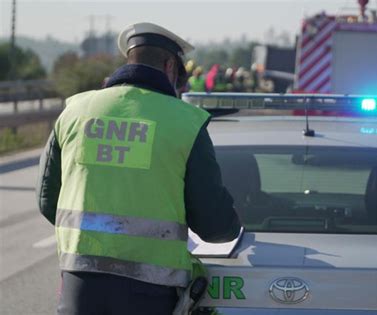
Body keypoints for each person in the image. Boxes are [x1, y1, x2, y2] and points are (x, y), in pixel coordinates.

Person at [36, 22, 241, 315]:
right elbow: (214, 224)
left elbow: (47, 201)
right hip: (150, 293)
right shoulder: (185, 122)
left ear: (129, 59)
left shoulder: (76, 111)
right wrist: (232, 225)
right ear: (170, 66)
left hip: (79, 284)